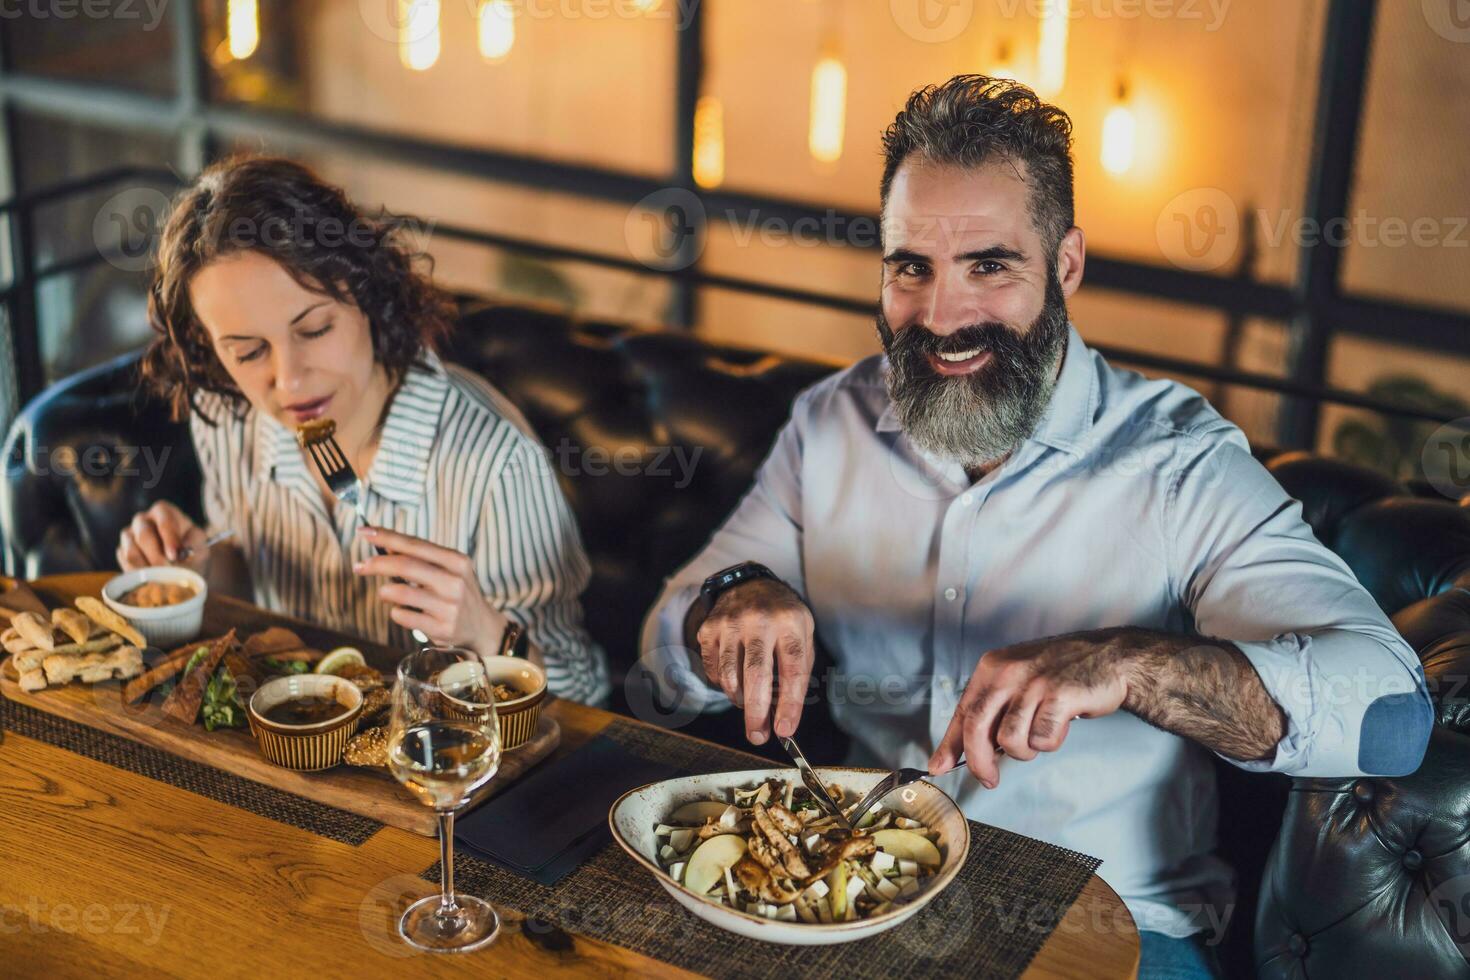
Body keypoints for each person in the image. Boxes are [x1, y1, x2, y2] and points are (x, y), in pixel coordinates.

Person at [639, 76, 1431, 977]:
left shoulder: (1180, 461)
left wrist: (1127, 663)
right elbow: (666, 650)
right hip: (862, 900)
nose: (941, 318)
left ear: (1065, 264)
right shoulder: (832, 422)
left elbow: (1392, 717)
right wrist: (733, 597)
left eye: (989, 265)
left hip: (1112, 923)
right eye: (911, 267)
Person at [121, 155, 609, 704]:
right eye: (249, 351)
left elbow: (585, 696)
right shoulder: (228, 413)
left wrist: (488, 632)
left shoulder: (494, 459)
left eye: (315, 328)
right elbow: (248, 581)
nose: (289, 380)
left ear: (366, 293)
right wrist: (200, 567)